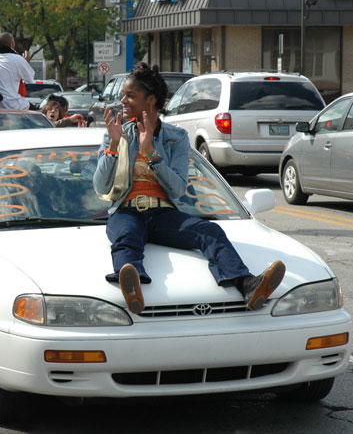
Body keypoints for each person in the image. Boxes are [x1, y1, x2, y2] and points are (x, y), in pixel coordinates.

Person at [92, 62, 285, 315]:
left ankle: (247, 284)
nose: (122, 100)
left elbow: (179, 189)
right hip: (125, 211)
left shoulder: (176, 137)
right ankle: (132, 282)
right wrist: (114, 145)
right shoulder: (115, 133)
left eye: (130, 95)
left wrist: (151, 154)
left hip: (163, 214)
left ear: (150, 100)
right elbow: (99, 186)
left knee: (209, 230)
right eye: (123, 95)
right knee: (126, 237)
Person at [0, 32, 34, 109]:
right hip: (10, 104)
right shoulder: (18, 59)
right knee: (34, 112)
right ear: (11, 44)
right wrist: (26, 62)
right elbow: (29, 79)